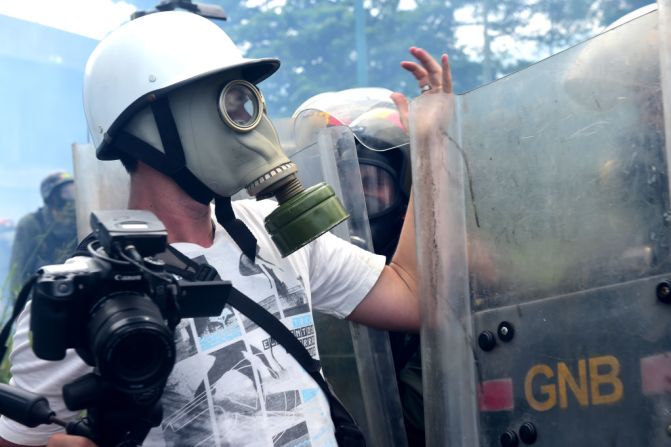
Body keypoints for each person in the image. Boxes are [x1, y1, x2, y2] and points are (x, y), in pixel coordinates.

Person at [0, 11, 452, 447]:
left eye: (247, 101)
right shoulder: (90, 288)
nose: (250, 127)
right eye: (228, 106)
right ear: (145, 126)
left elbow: (413, 297)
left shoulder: (275, 236)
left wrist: (430, 149)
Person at [293, 88, 424, 446]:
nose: (354, 199)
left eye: (369, 183)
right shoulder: (302, 274)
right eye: (341, 183)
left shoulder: (443, 279)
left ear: (404, 198)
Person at [7, 172, 77, 301]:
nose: (72, 198)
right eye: (66, 192)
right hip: (40, 297)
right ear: (53, 198)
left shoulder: (80, 222)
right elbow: (17, 268)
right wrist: (19, 304)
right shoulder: (31, 224)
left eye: (74, 191)